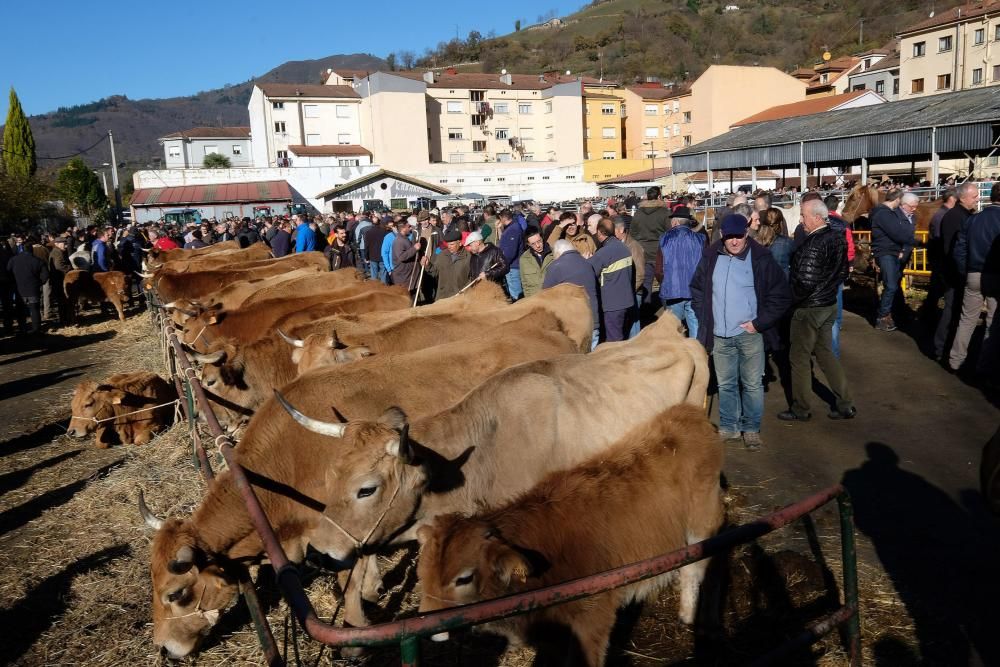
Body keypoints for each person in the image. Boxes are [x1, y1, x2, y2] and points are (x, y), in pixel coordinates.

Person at [690, 214, 792, 451]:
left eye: (739, 236)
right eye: (730, 237)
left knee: (752, 384)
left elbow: (781, 295)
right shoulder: (710, 257)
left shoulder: (761, 258)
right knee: (726, 383)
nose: (735, 241)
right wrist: (705, 314)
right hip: (719, 334)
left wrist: (759, 323)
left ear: (747, 234)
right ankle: (729, 427)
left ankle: (752, 429)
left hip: (750, 335)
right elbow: (696, 288)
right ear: (722, 236)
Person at [779, 199, 856, 422]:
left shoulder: (814, 244)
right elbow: (842, 272)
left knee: (799, 358)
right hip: (828, 303)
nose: (801, 220)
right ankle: (845, 403)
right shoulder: (837, 237)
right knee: (824, 352)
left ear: (816, 217)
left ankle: (801, 408)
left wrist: (789, 302)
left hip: (809, 308)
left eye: (803, 215)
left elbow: (804, 281)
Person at [948, 182, 999, 376]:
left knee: (967, 319)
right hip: (995, 275)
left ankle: (955, 361)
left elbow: (959, 250)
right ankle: (985, 366)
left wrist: (966, 271)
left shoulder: (973, 219)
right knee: (993, 321)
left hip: (973, 274)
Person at [934, 184, 977, 362]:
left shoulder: (963, 215)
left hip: (956, 271)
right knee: (951, 311)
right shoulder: (955, 217)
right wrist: (959, 273)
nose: (977, 199)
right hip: (954, 273)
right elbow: (950, 249)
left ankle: (944, 347)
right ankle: (941, 348)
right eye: (974, 196)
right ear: (962, 198)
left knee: (955, 310)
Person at [655, 206, 705, 338]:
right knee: (695, 325)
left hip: (673, 290)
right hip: (694, 289)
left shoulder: (664, 239)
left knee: (674, 329)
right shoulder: (701, 239)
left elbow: (659, 269)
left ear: (675, 222)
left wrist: (664, 283)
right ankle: (696, 354)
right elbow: (706, 266)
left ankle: (678, 356)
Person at [543, 239, 601, 350]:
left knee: (576, 363)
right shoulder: (587, 264)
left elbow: (545, 296)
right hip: (594, 321)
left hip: (574, 326)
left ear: (558, 253)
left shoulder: (556, 267)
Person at [870, 189, 914, 331]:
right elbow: (897, 233)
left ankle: (885, 314)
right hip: (886, 251)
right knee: (891, 285)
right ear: (897, 200)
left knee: (891, 284)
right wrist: (914, 241)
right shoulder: (884, 214)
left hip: (889, 251)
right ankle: (882, 317)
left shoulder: (882, 213)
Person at [588, 218, 635, 342]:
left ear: (599, 232)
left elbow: (588, 272)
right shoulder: (624, 248)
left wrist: (585, 260)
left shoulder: (603, 253)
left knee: (614, 341)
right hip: (627, 301)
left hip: (612, 304)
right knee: (623, 337)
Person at [630, 187, 671, 307]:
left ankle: (646, 311)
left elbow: (633, 233)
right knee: (664, 282)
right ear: (659, 196)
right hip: (660, 253)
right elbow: (670, 233)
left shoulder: (638, 213)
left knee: (646, 282)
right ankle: (667, 311)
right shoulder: (665, 213)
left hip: (643, 252)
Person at [6, 240, 49, 335]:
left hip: (19, 289)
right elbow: (45, 275)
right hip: (33, 289)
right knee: (34, 310)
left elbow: (8, 273)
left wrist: (14, 283)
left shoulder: (13, 260)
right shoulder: (38, 261)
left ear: (22, 249)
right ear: (32, 250)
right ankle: (36, 329)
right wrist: (39, 283)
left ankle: (22, 328)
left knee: (20, 310)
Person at [615, 220, 645, 338]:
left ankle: (635, 346)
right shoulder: (621, 244)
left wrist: (631, 290)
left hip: (633, 291)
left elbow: (640, 273)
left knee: (634, 321)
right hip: (627, 290)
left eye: (614, 230)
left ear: (621, 230)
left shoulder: (633, 246)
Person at [423, 229, 471, 300]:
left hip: (459, 296)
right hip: (443, 296)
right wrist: (428, 265)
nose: (449, 247)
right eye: (448, 244)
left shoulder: (468, 257)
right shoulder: (442, 255)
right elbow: (435, 271)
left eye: (452, 244)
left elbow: (471, 278)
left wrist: (465, 291)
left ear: (460, 243)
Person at [756, 208, 794, 275]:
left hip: (761, 282)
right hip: (781, 281)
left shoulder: (755, 242)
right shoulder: (787, 243)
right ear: (781, 223)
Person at [497, 209, 525, 300]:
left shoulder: (513, 229)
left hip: (513, 267)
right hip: (512, 265)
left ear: (502, 218)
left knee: (516, 294)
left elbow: (510, 253)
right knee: (514, 291)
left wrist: (503, 264)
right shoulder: (512, 228)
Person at [519, 230, 553, 298]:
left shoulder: (555, 253)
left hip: (552, 297)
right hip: (534, 300)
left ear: (542, 238)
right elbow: (524, 284)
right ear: (528, 244)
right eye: (533, 244)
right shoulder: (524, 259)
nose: (538, 246)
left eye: (539, 241)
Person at [48, 236, 73, 326]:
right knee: (62, 302)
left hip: (59, 280)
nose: (65, 246)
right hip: (59, 280)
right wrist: (70, 268)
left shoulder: (58, 251)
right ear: (57, 244)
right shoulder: (57, 253)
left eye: (65, 243)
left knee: (63, 302)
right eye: (64, 244)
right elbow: (59, 266)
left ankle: (65, 319)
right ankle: (64, 320)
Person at [391, 217, 420, 291]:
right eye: (408, 226)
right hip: (403, 277)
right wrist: (414, 249)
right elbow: (401, 257)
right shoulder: (399, 241)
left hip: (407, 275)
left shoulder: (404, 239)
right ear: (403, 228)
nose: (410, 228)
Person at [380, 220, 398, 285]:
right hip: (393, 268)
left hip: (404, 268)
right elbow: (384, 253)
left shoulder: (409, 236)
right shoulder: (389, 237)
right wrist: (389, 269)